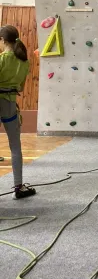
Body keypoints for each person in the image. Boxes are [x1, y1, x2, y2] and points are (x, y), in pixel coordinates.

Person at [0, 25, 36, 199]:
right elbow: (20, 87)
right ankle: (19, 188)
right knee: (15, 147)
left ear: (2, 40)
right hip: (10, 104)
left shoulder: (2, 59)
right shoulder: (24, 61)